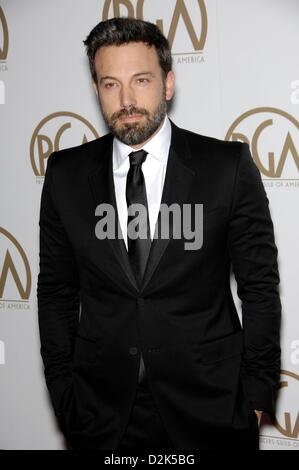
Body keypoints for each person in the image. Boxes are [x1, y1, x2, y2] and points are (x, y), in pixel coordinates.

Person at [37, 17, 281, 451]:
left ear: (168, 83)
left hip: (211, 408)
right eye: (111, 84)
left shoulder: (226, 167)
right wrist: (62, 390)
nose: (127, 100)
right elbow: (56, 290)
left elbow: (260, 287)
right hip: (100, 412)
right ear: (95, 90)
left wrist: (256, 395)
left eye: (141, 80)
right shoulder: (65, 174)